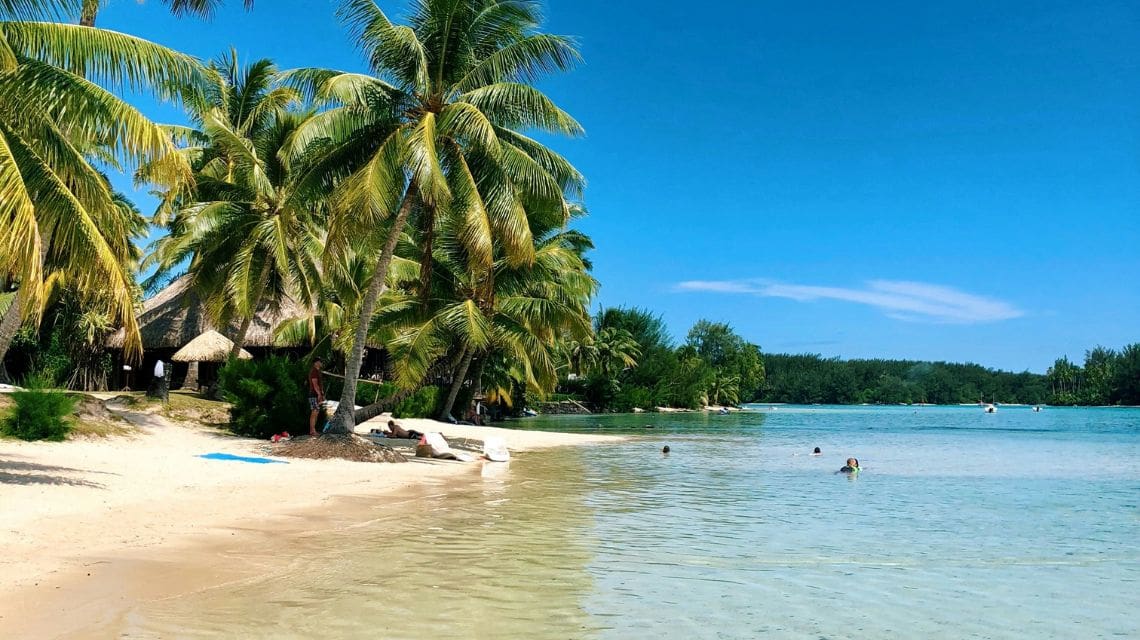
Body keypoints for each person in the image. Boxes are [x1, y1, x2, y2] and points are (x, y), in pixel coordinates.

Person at [307, 358, 325, 437]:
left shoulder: (318, 371)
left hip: (316, 394)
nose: (321, 363)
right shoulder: (314, 371)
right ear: (316, 363)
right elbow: (315, 384)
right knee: (314, 412)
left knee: (316, 412)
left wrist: (321, 393)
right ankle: (312, 431)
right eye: (320, 362)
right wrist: (319, 394)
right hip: (314, 394)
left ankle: (314, 430)